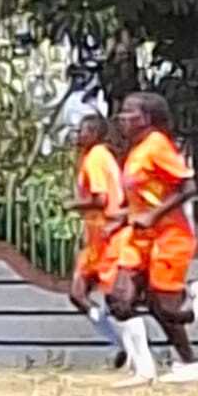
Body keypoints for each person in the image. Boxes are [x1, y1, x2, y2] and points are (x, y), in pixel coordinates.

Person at [106, 92, 198, 385]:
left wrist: (154, 215)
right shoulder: (136, 150)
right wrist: (122, 218)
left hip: (169, 237)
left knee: (168, 309)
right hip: (139, 238)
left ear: (146, 118)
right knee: (120, 301)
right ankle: (150, 368)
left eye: (128, 112)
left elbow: (189, 187)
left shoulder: (158, 145)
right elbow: (145, 197)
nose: (121, 118)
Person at [66, 113, 134, 372]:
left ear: (94, 134)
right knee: (78, 294)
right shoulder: (101, 156)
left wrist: (73, 205)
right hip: (97, 237)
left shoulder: (95, 157)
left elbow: (101, 199)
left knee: (117, 301)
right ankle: (121, 345)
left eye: (83, 130)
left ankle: (132, 350)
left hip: (107, 236)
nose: (78, 134)